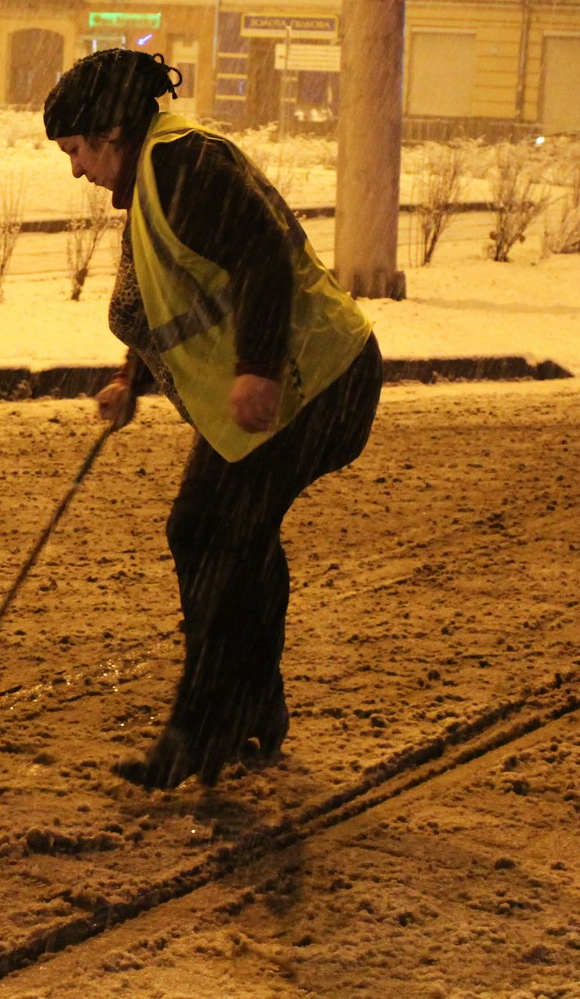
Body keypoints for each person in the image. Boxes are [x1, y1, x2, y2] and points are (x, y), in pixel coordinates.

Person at [45, 47, 384, 790]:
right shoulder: (155, 179)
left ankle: (200, 727)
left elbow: (261, 252)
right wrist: (130, 377)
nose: (75, 169)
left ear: (107, 132)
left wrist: (258, 368)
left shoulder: (180, 167)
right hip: (296, 387)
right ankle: (251, 705)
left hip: (319, 381)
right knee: (222, 533)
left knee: (215, 533)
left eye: (75, 150)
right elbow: (171, 293)